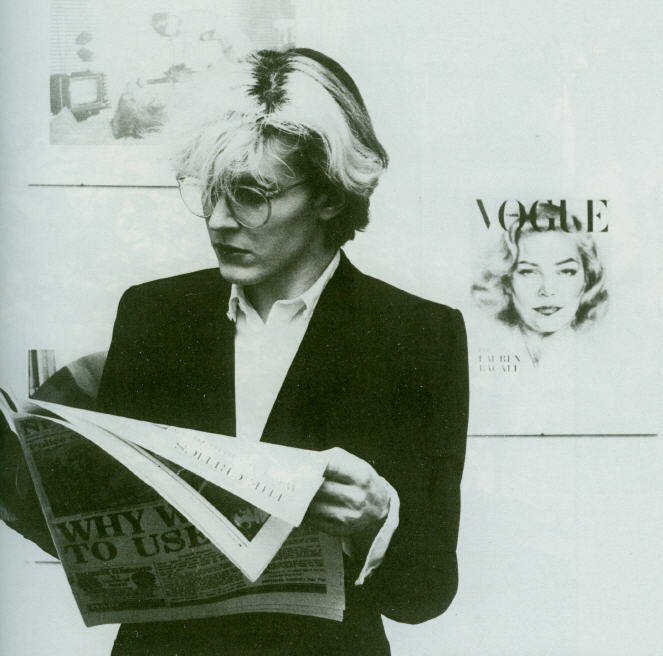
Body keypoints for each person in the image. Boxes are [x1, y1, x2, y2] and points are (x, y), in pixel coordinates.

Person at [7, 48, 469, 655]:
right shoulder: (153, 314)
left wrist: (377, 518)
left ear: (329, 195)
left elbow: (425, 594)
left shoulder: (416, 335)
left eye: (251, 193)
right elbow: (108, 544)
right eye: (211, 190)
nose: (219, 220)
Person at [472, 202, 608, 366]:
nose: (547, 290)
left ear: (587, 278)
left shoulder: (604, 361)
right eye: (528, 272)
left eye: (566, 271)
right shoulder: (480, 352)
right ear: (507, 281)